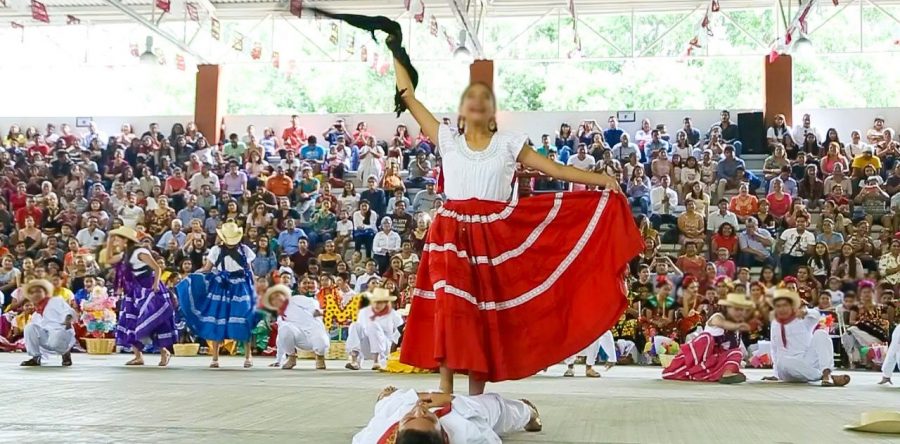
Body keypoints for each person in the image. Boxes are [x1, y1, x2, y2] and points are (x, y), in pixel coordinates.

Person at [390, 41, 642, 395]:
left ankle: (476, 393)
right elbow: (408, 95)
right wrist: (395, 49)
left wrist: (601, 179)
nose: (477, 101)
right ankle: (445, 387)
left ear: (493, 110)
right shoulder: (446, 138)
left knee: (481, 310)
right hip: (449, 232)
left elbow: (554, 168)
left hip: (492, 235)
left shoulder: (509, 143)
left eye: (485, 97)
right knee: (450, 304)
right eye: (471, 96)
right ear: (462, 108)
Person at [177, 222, 257, 368]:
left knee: (243, 320)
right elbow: (207, 268)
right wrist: (192, 277)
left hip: (241, 287)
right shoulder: (216, 250)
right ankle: (215, 357)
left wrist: (255, 288)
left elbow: (250, 271)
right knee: (217, 319)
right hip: (221, 286)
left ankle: (248, 355)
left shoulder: (245, 250)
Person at [351, 386, 541, 444]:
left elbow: (382, 413)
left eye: (410, 419)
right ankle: (529, 412)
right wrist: (449, 399)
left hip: (409, 401)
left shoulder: (373, 438)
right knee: (496, 406)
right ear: (443, 436)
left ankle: (387, 395)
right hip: (463, 411)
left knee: (388, 403)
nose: (420, 411)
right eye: (428, 418)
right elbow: (491, 438)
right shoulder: (466, 435)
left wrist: (425, 397)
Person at [103, 226, 177, 366]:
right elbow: (109, 259)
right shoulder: (126, 254)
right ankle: (138, 356)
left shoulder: (140, 252)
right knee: (131, 321)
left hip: (149, 287)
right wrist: (109, 242)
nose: (116, 242)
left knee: (154, 320)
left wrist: (155, 285)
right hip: (134, 290)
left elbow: (157, 268)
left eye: (118, 239)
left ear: (126, 240)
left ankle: (164, 352)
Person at [662, 293, 753, 384]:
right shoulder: (717, 317)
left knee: (736, 352)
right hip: (699, 356)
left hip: (714, 359)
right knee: (706, 338)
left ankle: (727, 374)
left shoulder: (736, 331)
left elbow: (733, 348)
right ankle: (694, 369)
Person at [766, 289, 850, 386]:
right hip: (788, 368)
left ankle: (827, 373)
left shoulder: (804, 317)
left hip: (808, 360)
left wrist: (806, 311)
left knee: (821, 333)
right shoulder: (775, 322)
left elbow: (817, 315)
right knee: (784, 361)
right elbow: (774, 347)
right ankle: (822, 376)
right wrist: (775, 374)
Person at [263, 284, 329, 370]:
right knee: (284, 329)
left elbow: (312, 302)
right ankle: (291, 358)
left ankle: (320, 358)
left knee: (321, 342)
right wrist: (279, 360)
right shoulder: (280, 317)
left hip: (315, 333)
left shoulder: (295, 299)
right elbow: (281, 338)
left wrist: (315, 310)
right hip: (301, 340)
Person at [18, 279, 75, 367]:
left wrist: (67, 320)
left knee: (56, 337)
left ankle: (65, 353)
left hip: (61, 335)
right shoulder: (35, 314)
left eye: (38, 291)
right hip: (47, 339)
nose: (35, 294)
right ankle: (35, 358)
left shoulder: (56, 301)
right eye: (32, 293)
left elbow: (69, 312)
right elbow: (36, 334)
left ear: (45, 292)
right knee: (29, 328)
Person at [345, 288, 404, 371]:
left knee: (373, 325)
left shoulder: (393, 314)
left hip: (385, 347)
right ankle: (354, 360)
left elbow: (400, 331)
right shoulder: (364, 312)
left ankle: (377, 361)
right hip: (366, 345)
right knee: (355, 325)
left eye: (380, 302)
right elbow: (360, 331)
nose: (377, 304)